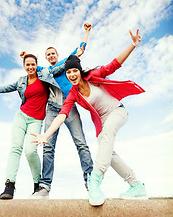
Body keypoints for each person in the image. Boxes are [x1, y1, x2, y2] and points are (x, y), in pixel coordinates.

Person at [31, 29, 148, 206]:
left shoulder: (93, 76)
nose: (71, 75)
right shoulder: (73, 93)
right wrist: (46, 135)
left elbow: (114, 65)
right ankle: (136, 185)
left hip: (117, 111)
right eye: (68, 72)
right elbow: (62, 115)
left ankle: (95, 180)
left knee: (106, 136)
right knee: (108, 152)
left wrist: (133, 44)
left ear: (79, 71)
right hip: (102, 121)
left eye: (74, 71)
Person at [22, 23, 94, 199]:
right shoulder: (44, 70)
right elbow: (30, 68)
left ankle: (91, 181)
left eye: (53, 53)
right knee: (47, 147)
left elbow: (80, 49)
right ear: (46, 58)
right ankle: (44, 186)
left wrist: (86, 32)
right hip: (53, 109)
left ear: (57, 54)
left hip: (70, 107)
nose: (51, 55)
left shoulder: (66, 62)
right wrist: (24, 57)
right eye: (48, 55)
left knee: (81, 143)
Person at [0, 54, 52, 199]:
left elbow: (59, 68)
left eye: (32, 64)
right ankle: (9, 185)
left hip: (36, 120)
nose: (30, 67)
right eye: (27, 64)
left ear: (36, 65)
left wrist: (75, 56)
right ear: (24, 66)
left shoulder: (44, 78)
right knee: (15, 148)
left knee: (30, 151)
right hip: (21, 116)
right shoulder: (22, 81)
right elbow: (5, 88)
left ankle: (37, 185)